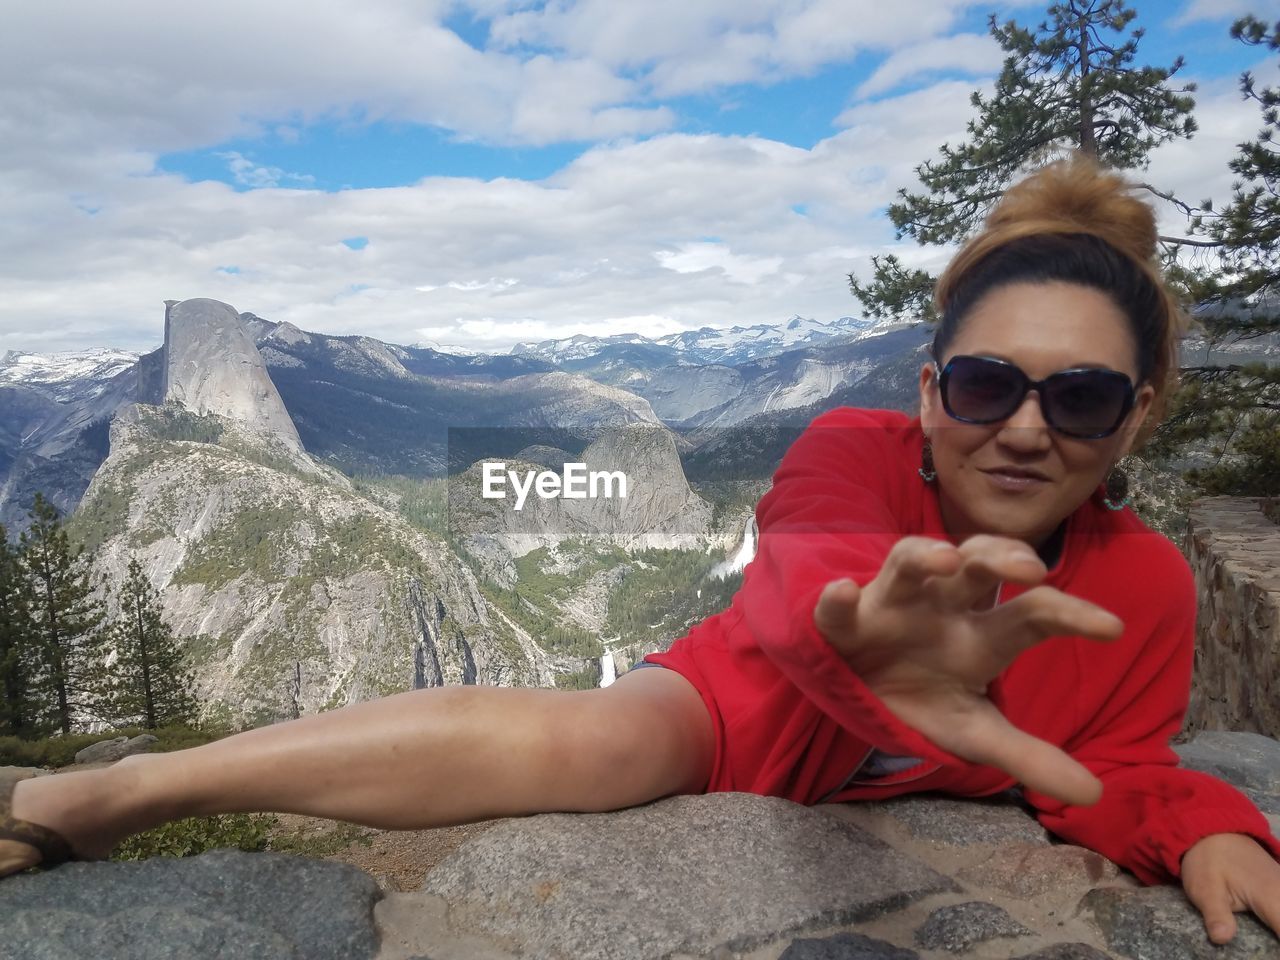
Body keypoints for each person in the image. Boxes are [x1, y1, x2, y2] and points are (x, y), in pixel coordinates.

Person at [2, 155, 1278, 946]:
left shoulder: (1142, 586)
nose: (1022, 428)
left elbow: (1112, 768)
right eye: (988, 382)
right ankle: (126, 790)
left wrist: (1205, 827)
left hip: (881, 774)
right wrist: (857, 643)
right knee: (598, 739)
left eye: (1081, 399)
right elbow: (795, 587)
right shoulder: (851, 451)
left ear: (1137, 414)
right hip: (756, 708)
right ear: (931, 387)